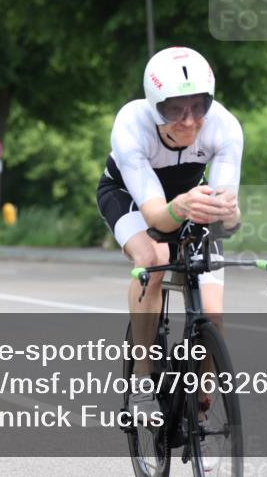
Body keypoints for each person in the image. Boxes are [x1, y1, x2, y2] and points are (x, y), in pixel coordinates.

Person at [96, 46, 242, 467]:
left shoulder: (226, 127)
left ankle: (202, 400)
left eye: (199, 107)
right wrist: (181, 209)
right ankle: (143, 379)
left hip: (190, 202)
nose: (190, 121)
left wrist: (228, 212)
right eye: (175, 110)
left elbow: (227, 210)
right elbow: (157, 214)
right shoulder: (131, 124)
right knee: (153, 259)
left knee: (212, 310)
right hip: (130, 198)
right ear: (154, 105)